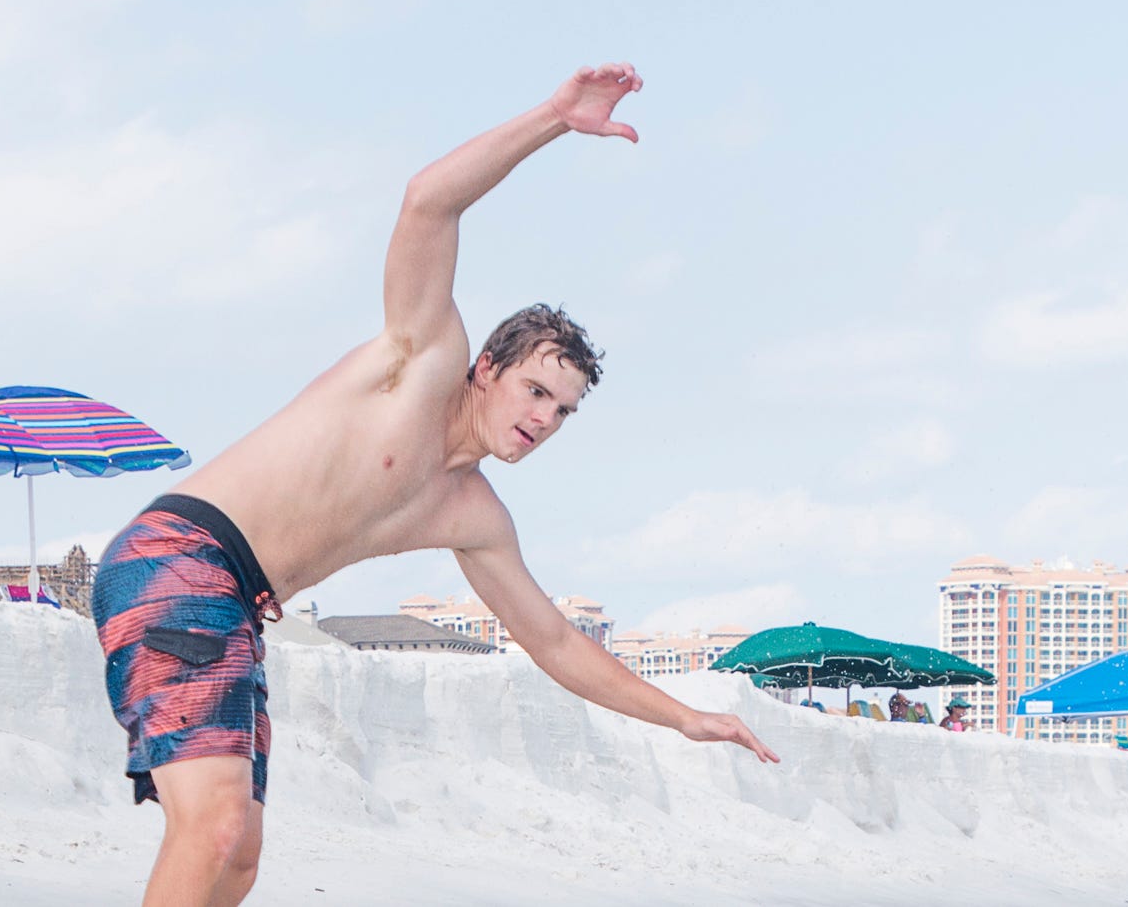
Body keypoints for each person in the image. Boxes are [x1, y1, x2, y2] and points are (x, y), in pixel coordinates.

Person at [92, 64, 779, 907]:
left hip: (236, 601)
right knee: (217, 826)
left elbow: (557, 645)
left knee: (236, 859)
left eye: (562, 412)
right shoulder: (419, 362)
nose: (543, 419)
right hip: (181, 556)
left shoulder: (472, 514)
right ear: (485, 369)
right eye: (534, 391)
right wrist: (556, 119)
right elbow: (428, 202)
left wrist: (682, 716)